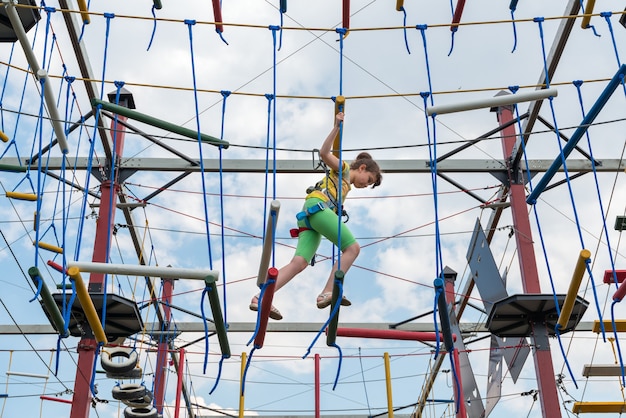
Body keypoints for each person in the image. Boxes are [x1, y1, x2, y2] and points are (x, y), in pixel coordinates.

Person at [250, 112, 382, 320]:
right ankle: (327, 292)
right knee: (353, 248)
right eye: (369, 180)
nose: (366, 185)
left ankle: (261, 297)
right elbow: (324, 153)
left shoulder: (345, 185)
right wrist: (336, 128)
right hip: (318, 208)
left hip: (310, 215)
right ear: (363, 168)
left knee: (299, 263)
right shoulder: (345, 170)